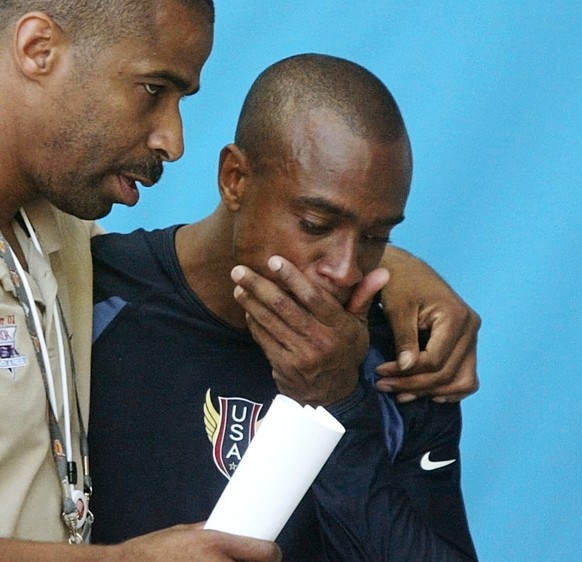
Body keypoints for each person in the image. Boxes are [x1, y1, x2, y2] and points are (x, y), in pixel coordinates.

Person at [0, 0, 478, 559]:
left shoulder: (402, 352)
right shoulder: (107, 288)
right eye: (154, 88)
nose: (175, 142)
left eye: (375, 235)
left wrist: (341, 395)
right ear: (234, 179)